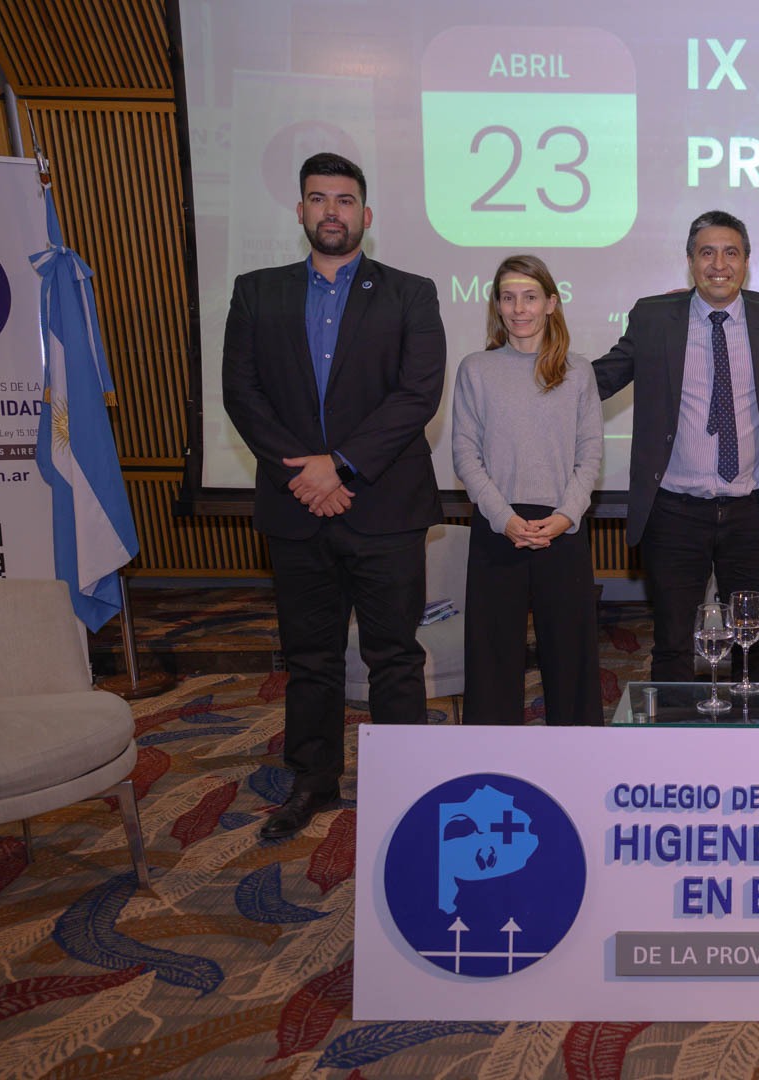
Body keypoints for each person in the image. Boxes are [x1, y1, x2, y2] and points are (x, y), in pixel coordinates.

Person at [222, 152, 446, 839]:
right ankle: (312, 782)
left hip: (385, 508)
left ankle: (404, 785)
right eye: (318, 199)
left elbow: (417, 394)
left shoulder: (411, 293)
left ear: (365, 215)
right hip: (296, 508)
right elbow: (241, 393)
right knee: (310, 659)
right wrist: (308, 475)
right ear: (300, 211)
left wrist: (340, 468)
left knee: (395, 656)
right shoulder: (257, 292)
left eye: (344, 200)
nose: (331, 211)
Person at [594, 211, 759, 684]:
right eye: (707, 253)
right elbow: (605, 377)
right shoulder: (654, 317)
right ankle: (675, 733)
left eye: (731, 253)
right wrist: (536, 378)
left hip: (752, 510)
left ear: (747, 261)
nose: (719, 264)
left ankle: (752, 732)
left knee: (752, 645)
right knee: (672, 644)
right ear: (690, 261)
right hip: (674, 511)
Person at [452, 255, 603, 725]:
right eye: (508, 298)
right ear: (497, 306)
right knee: (492, 660)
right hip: (499, 527)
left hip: (563, 527)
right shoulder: (476, 369)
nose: (519, 309)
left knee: (571, 658)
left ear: (551, 303)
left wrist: (565, 516)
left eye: (530, 297)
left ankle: (576, 757)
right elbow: (465, 455)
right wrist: (505, 519)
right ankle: (494, 757)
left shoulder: (578, 371)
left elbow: (590, 455)